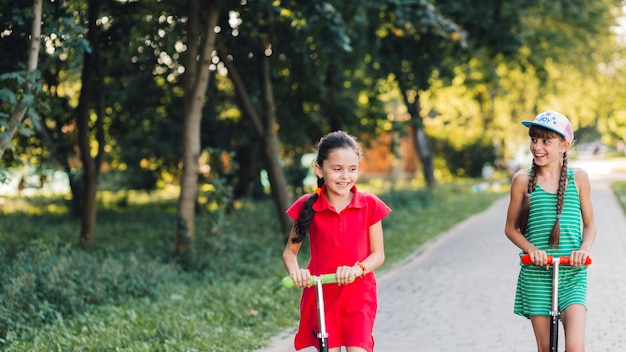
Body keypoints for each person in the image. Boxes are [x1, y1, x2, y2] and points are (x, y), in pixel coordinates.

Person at [282, 130, 391, 352]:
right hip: (322, 295)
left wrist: (357, 269)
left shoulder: (369, 204)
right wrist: (297, 273)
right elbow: (289, 253)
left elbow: (378, 255)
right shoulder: (308, 205)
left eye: (352, 169)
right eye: (337, 169)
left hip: (359, 293)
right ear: (320, 169)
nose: (345, 177)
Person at [504, 110, 597, 352]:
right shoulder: (522, 180)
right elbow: (511, 229)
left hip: (572, 273)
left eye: (546, 141)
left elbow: (590, 224)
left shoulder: (579, 178)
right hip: (537, 275)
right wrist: (531, 250)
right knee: (546, 349)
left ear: (564, 145)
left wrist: (584, 250)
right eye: (534, 139)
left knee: (575, 348)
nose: (537, 147)